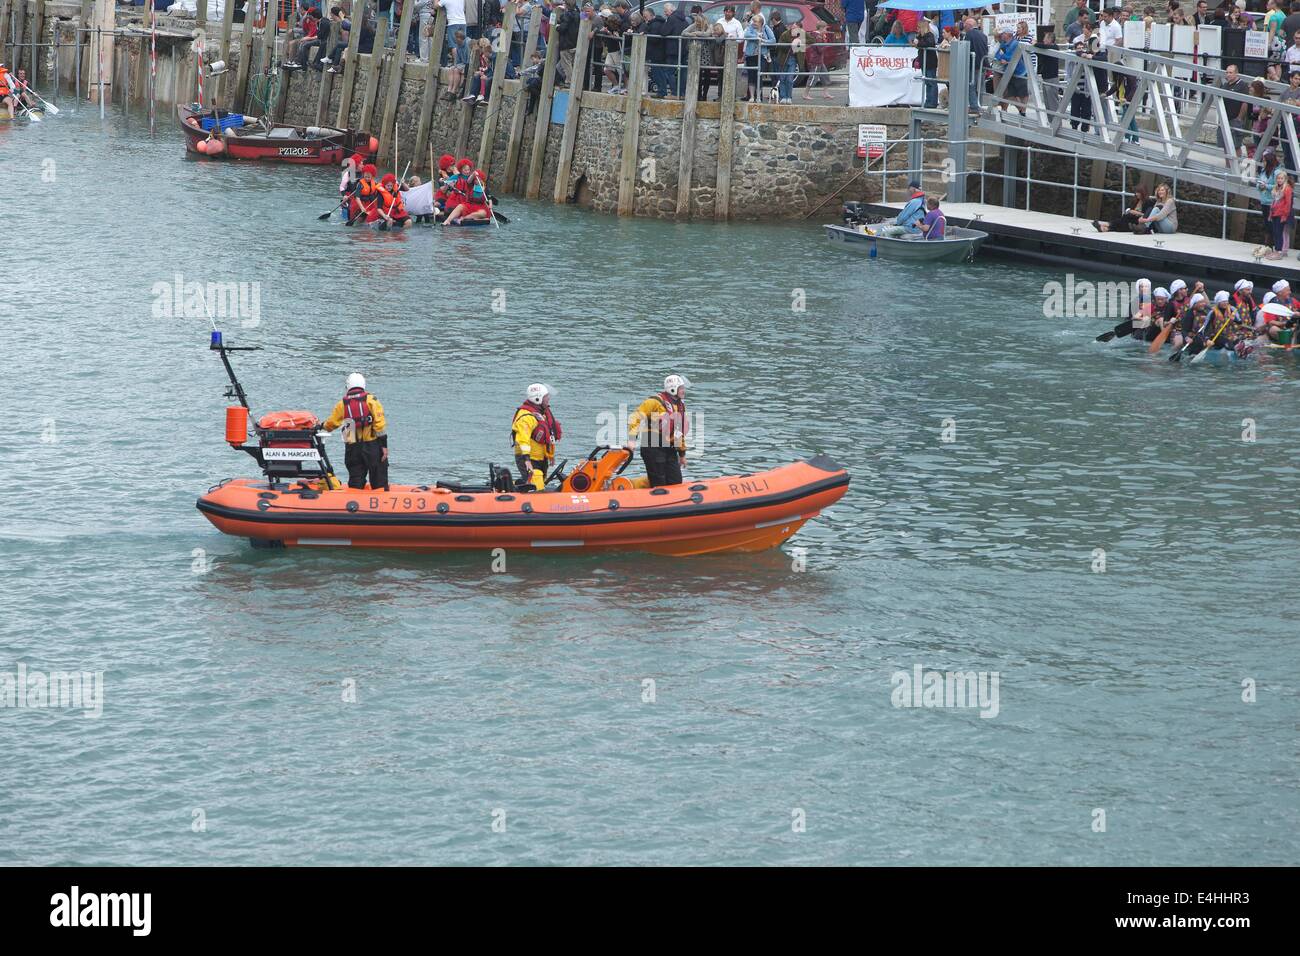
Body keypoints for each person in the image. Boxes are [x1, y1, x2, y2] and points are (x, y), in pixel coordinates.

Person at [323, 373, 389, 491]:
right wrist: (384, 446)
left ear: (348, 386)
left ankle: (354, 501)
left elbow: (331, 424)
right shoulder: (372, 401)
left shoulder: (342, 404)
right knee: (379, 479)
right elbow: (380, 425)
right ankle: (381, 503)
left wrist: (321, 426)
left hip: (352, 447)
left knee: (356, 479)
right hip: (372, 445)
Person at [625, 374, 690, 488]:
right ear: (673, 389)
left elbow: (678, 431)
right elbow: (635, 417)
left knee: (676, 481)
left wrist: (682, 453)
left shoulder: (680, 406)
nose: (683, 391)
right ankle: (633, 487)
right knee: (659, 482)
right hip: (652, 447)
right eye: (681, 388)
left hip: (669, 448)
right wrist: (631, 439)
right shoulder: (655, 402)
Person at [511, 383, 562, 491]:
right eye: (546, 397)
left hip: (540, 458)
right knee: (536, 488)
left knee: (540, 482)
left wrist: (550, 455)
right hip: (528, 459)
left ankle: (517, 485)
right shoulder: (526, 417)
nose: (548, 399)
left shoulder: (541, 413)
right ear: (538, 398)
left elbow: (548, 436)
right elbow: (522, 440)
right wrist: (527, 460)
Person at [993, 27, 1028, 116]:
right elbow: (997, 55)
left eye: (1003, 33)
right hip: (1009, 72)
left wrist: (1004, 58)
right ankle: (1021, 109)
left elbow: (1013, 56)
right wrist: (1003, 58)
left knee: (1023, 93)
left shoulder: (1015, 44)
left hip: (1020, 72)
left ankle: (1023, 111)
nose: (1001, 35)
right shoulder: (1003, 44)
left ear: (1008, 34)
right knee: (1009, 94)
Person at [962, 17, 989, 112]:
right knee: (980, 86)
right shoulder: (983, 35)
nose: (964, 27)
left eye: (965, 26)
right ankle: (979, 105)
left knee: (971, 85)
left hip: (973, 64)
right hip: (983, 63)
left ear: (969, 26)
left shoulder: (969, 34)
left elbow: (965, 48)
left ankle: (974, 106)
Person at [1267, 170, 1294, 258]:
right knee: (1275, 232)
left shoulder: (1287, 189)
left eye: (1281, 178)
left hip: (1281, 214)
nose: (1279, 180)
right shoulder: (1276, 188)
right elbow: (1273, 202)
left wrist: (1284, 215)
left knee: (1279, 232)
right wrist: (1270, 214)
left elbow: (1288, 203)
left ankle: (1279, 251)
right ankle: (1276, 249)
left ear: (1285, 179)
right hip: (1275, 213)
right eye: (1278, 178)